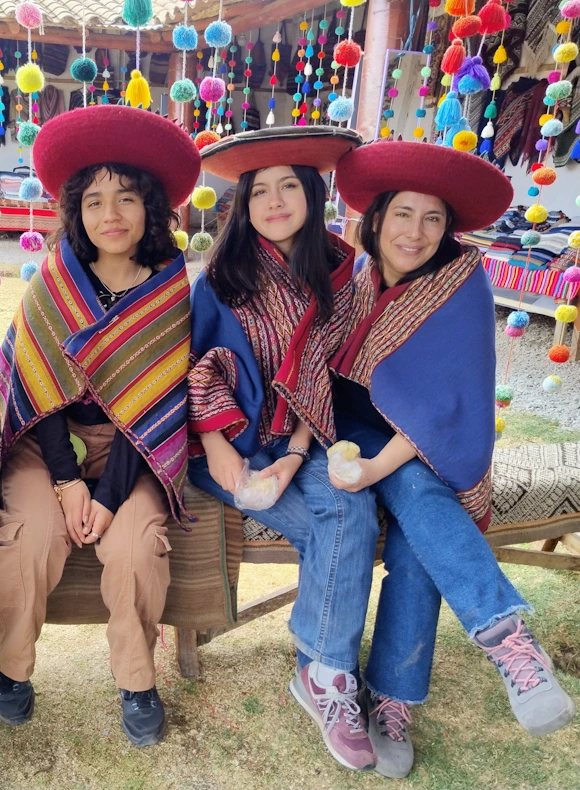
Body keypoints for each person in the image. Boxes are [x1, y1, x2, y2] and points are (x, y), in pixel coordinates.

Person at [329, 140, 576, 778]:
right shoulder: (357, 276)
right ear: (377, 217)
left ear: (448, 229)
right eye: (404, 214)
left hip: (424, 443)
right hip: (347, 426)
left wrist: (377, 469)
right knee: (421, 516)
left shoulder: (461, 283)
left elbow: (445, 405)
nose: (417, 233)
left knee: (417, 519)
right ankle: (495, 638)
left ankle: (417, 688)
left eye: (433, 218)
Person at [0, 105, 201, 747]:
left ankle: (138, 682)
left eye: (125, 197)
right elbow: (36, 384)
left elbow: (155, 404)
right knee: (29, 537)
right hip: (48, 440)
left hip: (131, 451)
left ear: (152, 208)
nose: (109, 214)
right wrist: (65, 483)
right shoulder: (57, 278)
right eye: (93, 201)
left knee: (136, 548)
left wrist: (110, 497)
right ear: (76, 212)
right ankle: (11, 672)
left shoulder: (171, 288)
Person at [187, 126, 380, 772]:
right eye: (258, 191)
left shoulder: (342, 273)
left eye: (287, 187)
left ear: (311, 192)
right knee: (340, 527)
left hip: (305, 435)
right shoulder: (223, 275)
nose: (273, 202)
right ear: (242, 205)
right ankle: (331, 671)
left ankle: (321, 675)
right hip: (232, 440)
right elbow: (201, 369)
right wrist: (223, 455)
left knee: (349, 507)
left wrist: (298, 454)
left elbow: (320, 375)